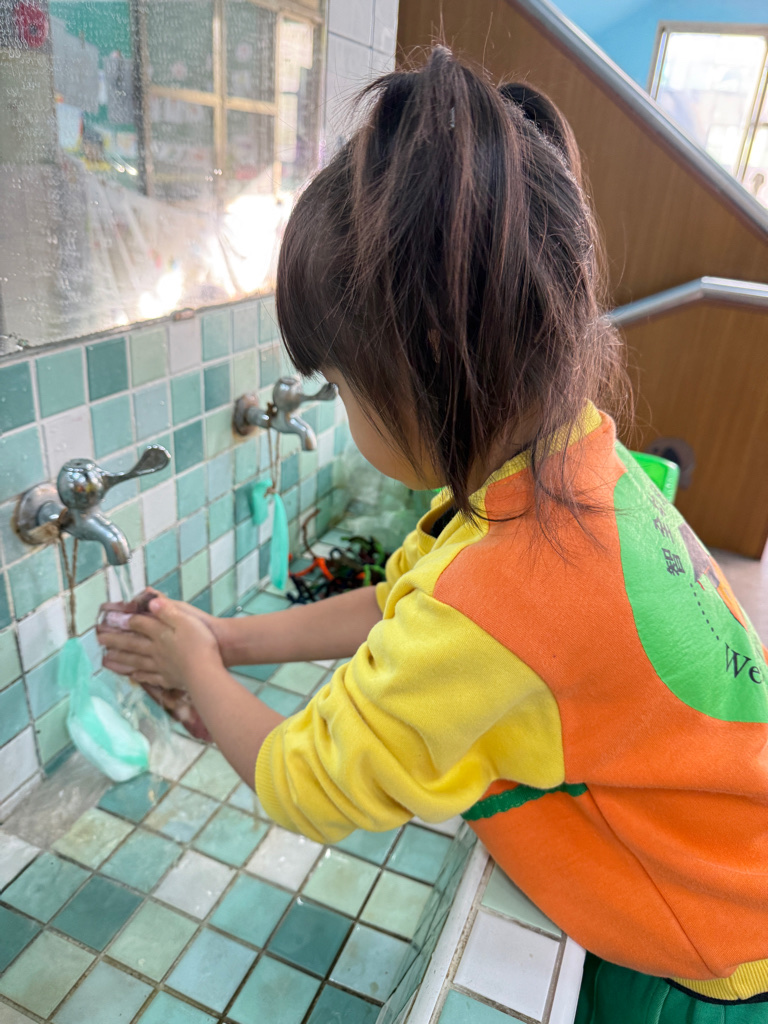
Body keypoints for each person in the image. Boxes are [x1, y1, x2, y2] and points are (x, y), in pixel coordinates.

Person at [98, 47, 768, 1023]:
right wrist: (225, 639)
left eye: (342, 387)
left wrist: (196, 671)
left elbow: (302, 783)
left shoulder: (515, 590)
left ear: (425, 366)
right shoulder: (574, 462)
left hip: (706, 954)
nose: (341, 416)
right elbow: (404, 602)